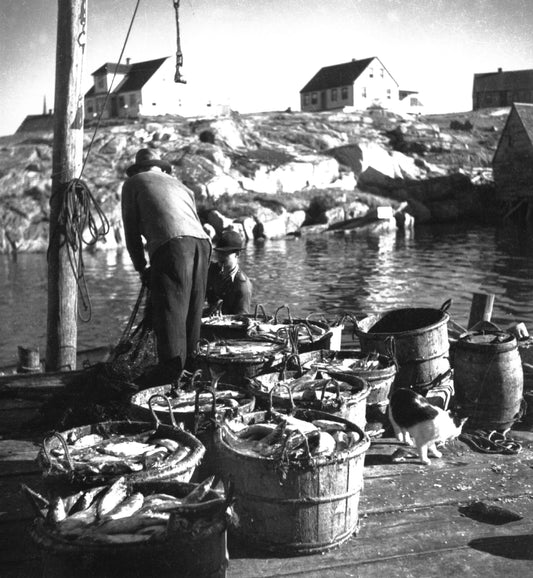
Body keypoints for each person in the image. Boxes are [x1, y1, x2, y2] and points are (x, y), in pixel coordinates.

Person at [121, 148, 211, 379]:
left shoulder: (133, 183)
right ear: (160, 168)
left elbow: (131, 232)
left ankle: (171, 379)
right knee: (192, 313)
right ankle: (193, 370)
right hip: (202, 244)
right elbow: (195, 223)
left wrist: (141, 267)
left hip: (172, 246)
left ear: (140, 168)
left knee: (170, 314)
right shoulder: (181, 186)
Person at [205, 229, 252, 315]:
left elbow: (241, 319)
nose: (220, 256)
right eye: (218, 252)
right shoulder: (211, 271)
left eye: (225, 253)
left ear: (237, 254)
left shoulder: (242, 285)